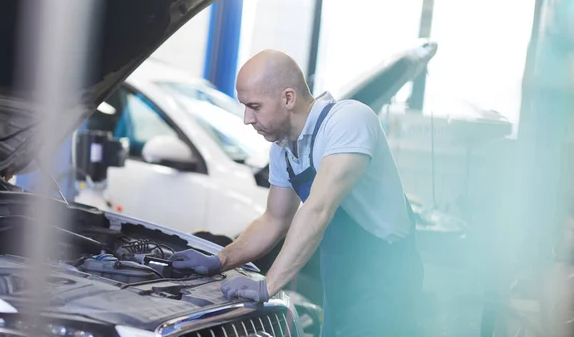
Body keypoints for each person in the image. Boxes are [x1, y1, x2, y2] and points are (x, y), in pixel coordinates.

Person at [171, 49, 423, 336]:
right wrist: (220, 259)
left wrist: (268, 285)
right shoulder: (284, 150)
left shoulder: (348, 120)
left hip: (387, 278)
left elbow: (318, 209)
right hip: (342, 274)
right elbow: (275, 220)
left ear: (288, 98)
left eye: (254, 106)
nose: (246, 119)